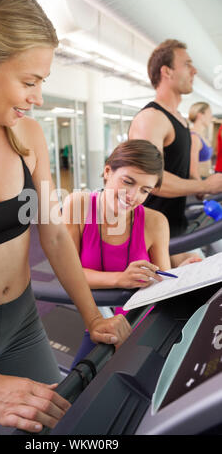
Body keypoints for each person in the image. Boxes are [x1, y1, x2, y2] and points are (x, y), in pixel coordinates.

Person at [0, 0, 130, 435]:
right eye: (29, 81)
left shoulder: (28, 136)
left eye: (43, 82)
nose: (37, 97)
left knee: (54, 431)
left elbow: (52, 233)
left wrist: (93, 316)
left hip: (23, 324)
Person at [62, 140, 201, 366]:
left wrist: (181, 274)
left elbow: (161, 278)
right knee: (79, 394)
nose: (133, 196)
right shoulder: (78, 204)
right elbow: (68, 272)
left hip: (145, 321)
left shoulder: (155, 222)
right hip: (103, 322)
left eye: (145, 190)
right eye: (128, 182)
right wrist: (119, 278)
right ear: (108, 171)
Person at [128, 39, 222, 265]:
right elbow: (151, 180)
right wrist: (204, 185)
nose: (194, 70)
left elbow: (178, 172)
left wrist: (199, 187)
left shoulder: (179, 120)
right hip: (150, 235)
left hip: (175, 226)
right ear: (166, 71)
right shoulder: (152, 118)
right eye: (187, 64)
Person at [189, 102, 213, 179]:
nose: (211, 117)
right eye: (209, 113)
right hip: (199, 181)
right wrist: (203, 188)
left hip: (207, 179)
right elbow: (192, 172)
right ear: (200, 115)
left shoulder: (202, 136)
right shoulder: (194, 137)